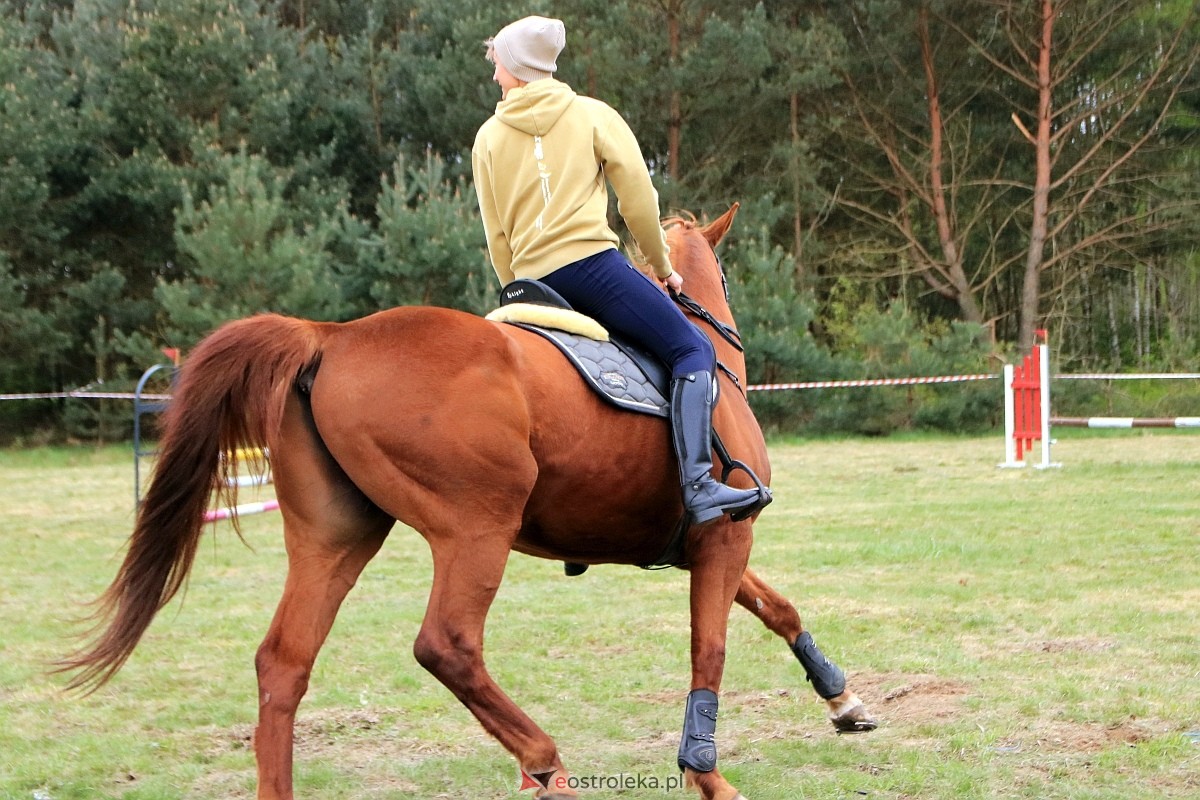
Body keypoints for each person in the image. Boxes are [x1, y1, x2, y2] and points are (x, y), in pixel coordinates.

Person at [471, 15, 761, 526]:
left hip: (530, 288)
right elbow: (639, 204)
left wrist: (513, 293)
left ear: (517, 67)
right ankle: (698, 485)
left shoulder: (489, 137)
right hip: (592, 272)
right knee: (693, 348)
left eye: (497, 64)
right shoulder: (593, 115)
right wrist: (664, 266)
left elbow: (496, 234)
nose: (494, 75)